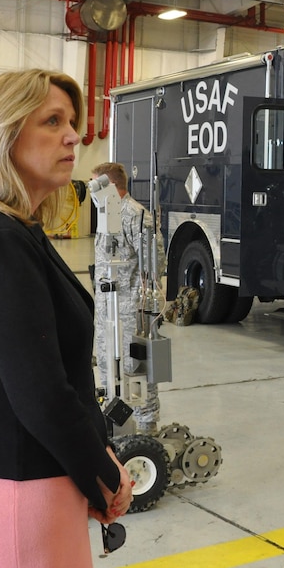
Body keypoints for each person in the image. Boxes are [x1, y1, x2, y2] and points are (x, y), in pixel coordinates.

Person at [0, 70, 132, 568]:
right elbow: (40, 395)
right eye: (52, 122)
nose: (74, 135)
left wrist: (98, 455)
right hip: (18, 485)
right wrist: (103, 477)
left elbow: (58, 372)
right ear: (2, 135)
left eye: (72, 121)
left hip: (12, 478)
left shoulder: (3, 230)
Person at [91, 161, 165, 434]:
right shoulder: (106, 214)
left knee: (137, 370)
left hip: (130, 311)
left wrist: (142, 304)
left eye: (94, 184)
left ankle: (147, 429)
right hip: (107, 311)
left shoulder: (136, 215)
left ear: (109, 186)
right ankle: (114, 424)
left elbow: (155, 262)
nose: (91, 190)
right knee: (108, 371)